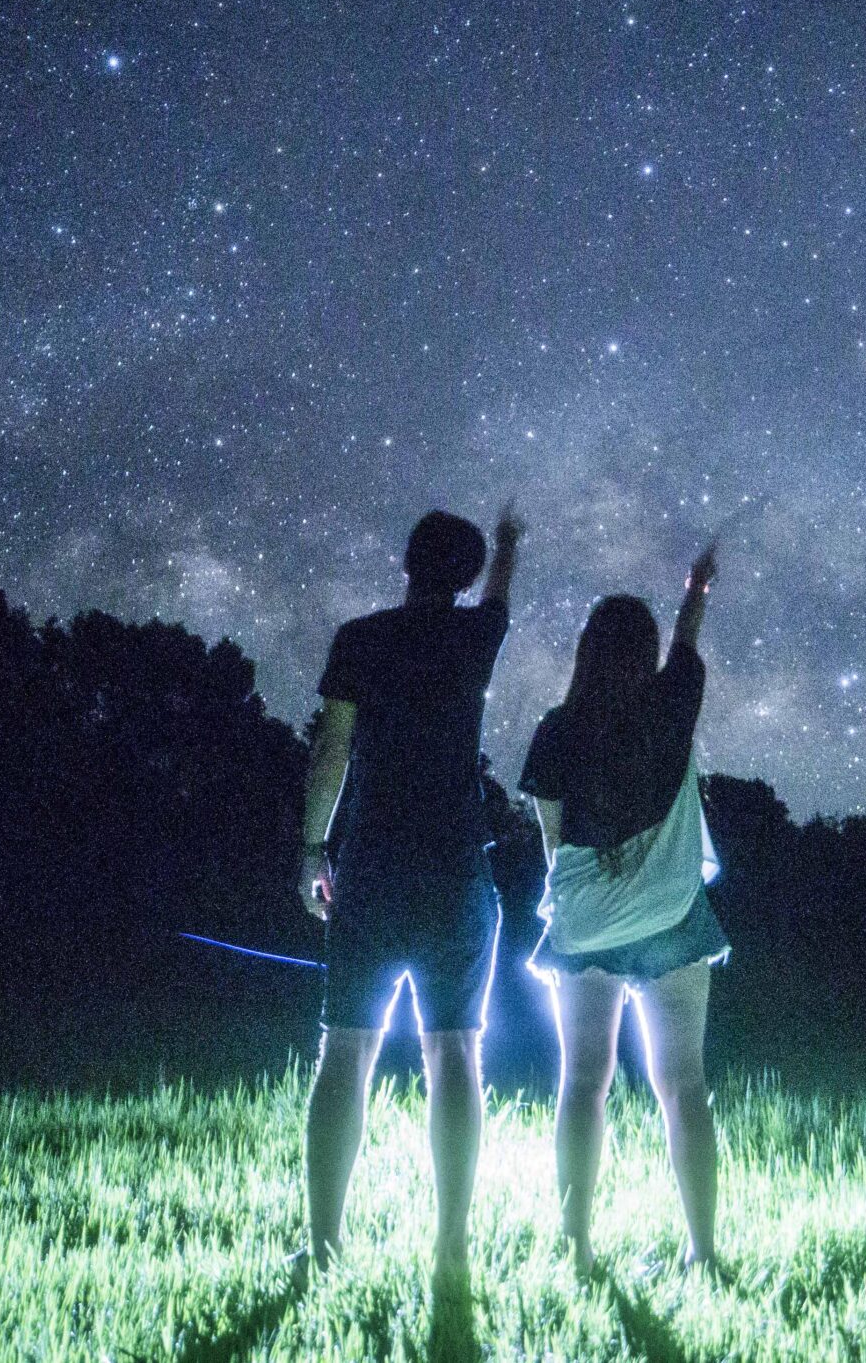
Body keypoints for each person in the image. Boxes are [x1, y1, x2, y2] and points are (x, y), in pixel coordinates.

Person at [296, 504, 523, 1284]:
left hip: (371, 867)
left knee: (345, 1051)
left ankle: (323, 1242)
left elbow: (331, 748)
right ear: (462, 574)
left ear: (405, 562)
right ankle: (451, 1242)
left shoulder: (361, 639)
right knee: (456, 1053)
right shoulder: (474, 638)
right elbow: (499, 598)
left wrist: (310, 848)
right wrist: (510, 544)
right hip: (457, 871)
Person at [521, 540, 728, 1275]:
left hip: (586, 930)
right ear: (644, 656)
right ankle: (702, 1251)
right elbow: (687, 642)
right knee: (685, 1086)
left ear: (584, 652)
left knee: (583, 1083)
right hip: (672, 921)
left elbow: (552, 843)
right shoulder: (674, 703)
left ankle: (577, 1250)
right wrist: (696, 586)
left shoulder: (554, 730)